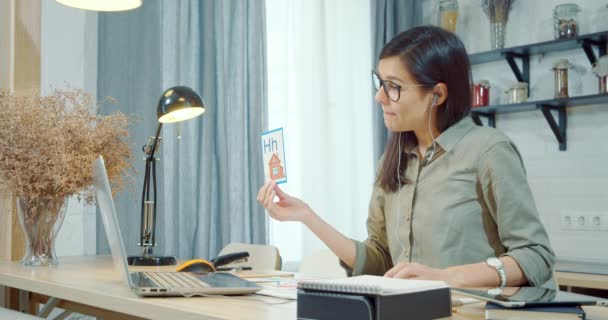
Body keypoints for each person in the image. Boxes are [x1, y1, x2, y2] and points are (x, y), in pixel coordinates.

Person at [257, 26, 554, 288]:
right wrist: (306, 216)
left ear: (437, 94)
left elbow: (535, 256)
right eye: (380, 83)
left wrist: (447, 277)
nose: (380, 97)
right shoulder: (394, 159)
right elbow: (379, 260)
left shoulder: (488, 151)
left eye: (394, 87)